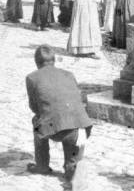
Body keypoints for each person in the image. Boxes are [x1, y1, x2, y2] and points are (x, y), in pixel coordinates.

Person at [25, 45, 92, 182]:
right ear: (54, 60)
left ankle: (42, 166)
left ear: (36, 62)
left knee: (37, 121)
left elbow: (34, 107)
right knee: (72, 169)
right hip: (79, 128)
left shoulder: (32, 78)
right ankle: (71, 166)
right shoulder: (69, 74)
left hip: (54, 129)